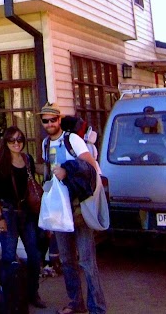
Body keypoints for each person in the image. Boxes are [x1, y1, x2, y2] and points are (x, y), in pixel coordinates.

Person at [39, 102, 107, 314]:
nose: (50, 124)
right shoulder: (44, 144)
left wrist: (68, 170)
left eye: (53, 119)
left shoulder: (72, 140)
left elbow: (90, 166)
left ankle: (98, 307)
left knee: (86, 261)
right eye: (46, 120)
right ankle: (76, 303)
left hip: (78, 208)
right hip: (59, 211)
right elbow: (49, 173)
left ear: (59, 120)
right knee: (67, 261)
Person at [0, 126, 46, 309]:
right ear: (5, 142)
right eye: (12, 140)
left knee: (35, 255)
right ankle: (10, 297)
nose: (16, 143)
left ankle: (32, 293)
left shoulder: (27, 159)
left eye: (19, 139)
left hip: (27, 213)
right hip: (8, 213)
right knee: (9, 257)